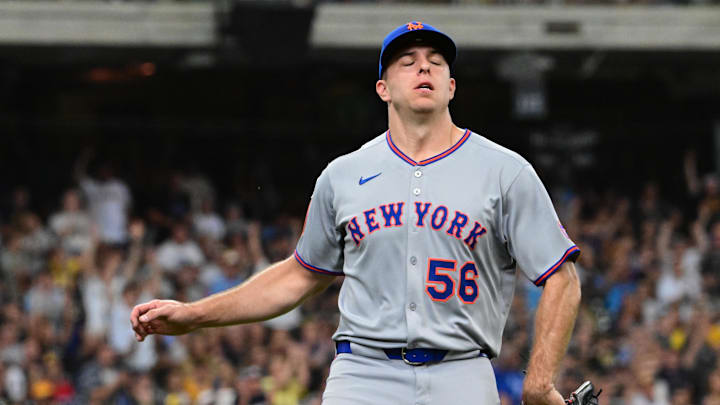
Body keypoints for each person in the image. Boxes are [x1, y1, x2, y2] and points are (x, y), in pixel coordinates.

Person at [131, 21, 582, 405]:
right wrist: (195, 314)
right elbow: (301, 274)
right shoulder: (344, 175)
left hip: (461, 372)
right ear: (383, 89)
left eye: (436, 61)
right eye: (407, 61)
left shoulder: (505, 171)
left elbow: (561, 277)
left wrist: (540, 380)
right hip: (363, 375)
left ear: (451, 86)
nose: (423, 66)